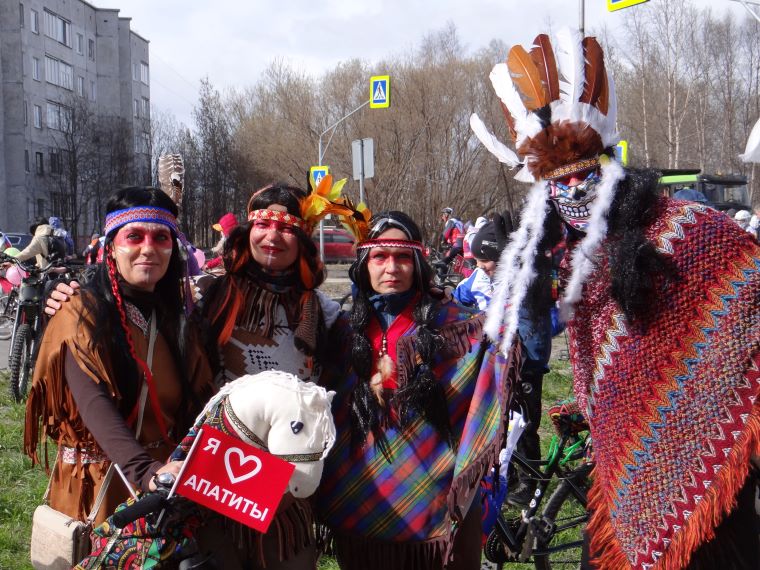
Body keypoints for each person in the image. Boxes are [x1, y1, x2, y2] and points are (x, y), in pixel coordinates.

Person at [473, 28, 760, 569]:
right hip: (622, 467)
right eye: (559, 187)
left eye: (586, 179)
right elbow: (535, 342)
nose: (574, 195)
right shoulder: (564, 260)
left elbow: (746, 289)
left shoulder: (692, 229)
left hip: (718, 473)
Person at [316, 211, 513, 570]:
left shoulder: (458, 327)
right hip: (362, 494)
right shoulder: (341, 331)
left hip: (435, 496)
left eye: (403, 257)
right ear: (364, 263)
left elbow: (498, 360)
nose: (392, 267)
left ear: (418, 263)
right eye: (380, 256)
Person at [23, 186, 214, 525]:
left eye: (160, 238)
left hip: (167, 486)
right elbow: (94, 403)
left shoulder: (176, 317)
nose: (148, 249)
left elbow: (200, 404)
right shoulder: (80, 311)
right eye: (134, 236)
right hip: (101, 487)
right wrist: (146, 472)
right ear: (111, 246)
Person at [453, 215, 559, 508]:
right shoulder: (477, 280)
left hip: (528, 364)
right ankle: (506, 474)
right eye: (475, 262)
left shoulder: (524, 282)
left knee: (523, 423)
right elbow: (456, 301)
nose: (480, 268)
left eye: (484, 260)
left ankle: (530, 481)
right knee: (499, 420)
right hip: (494, 361)